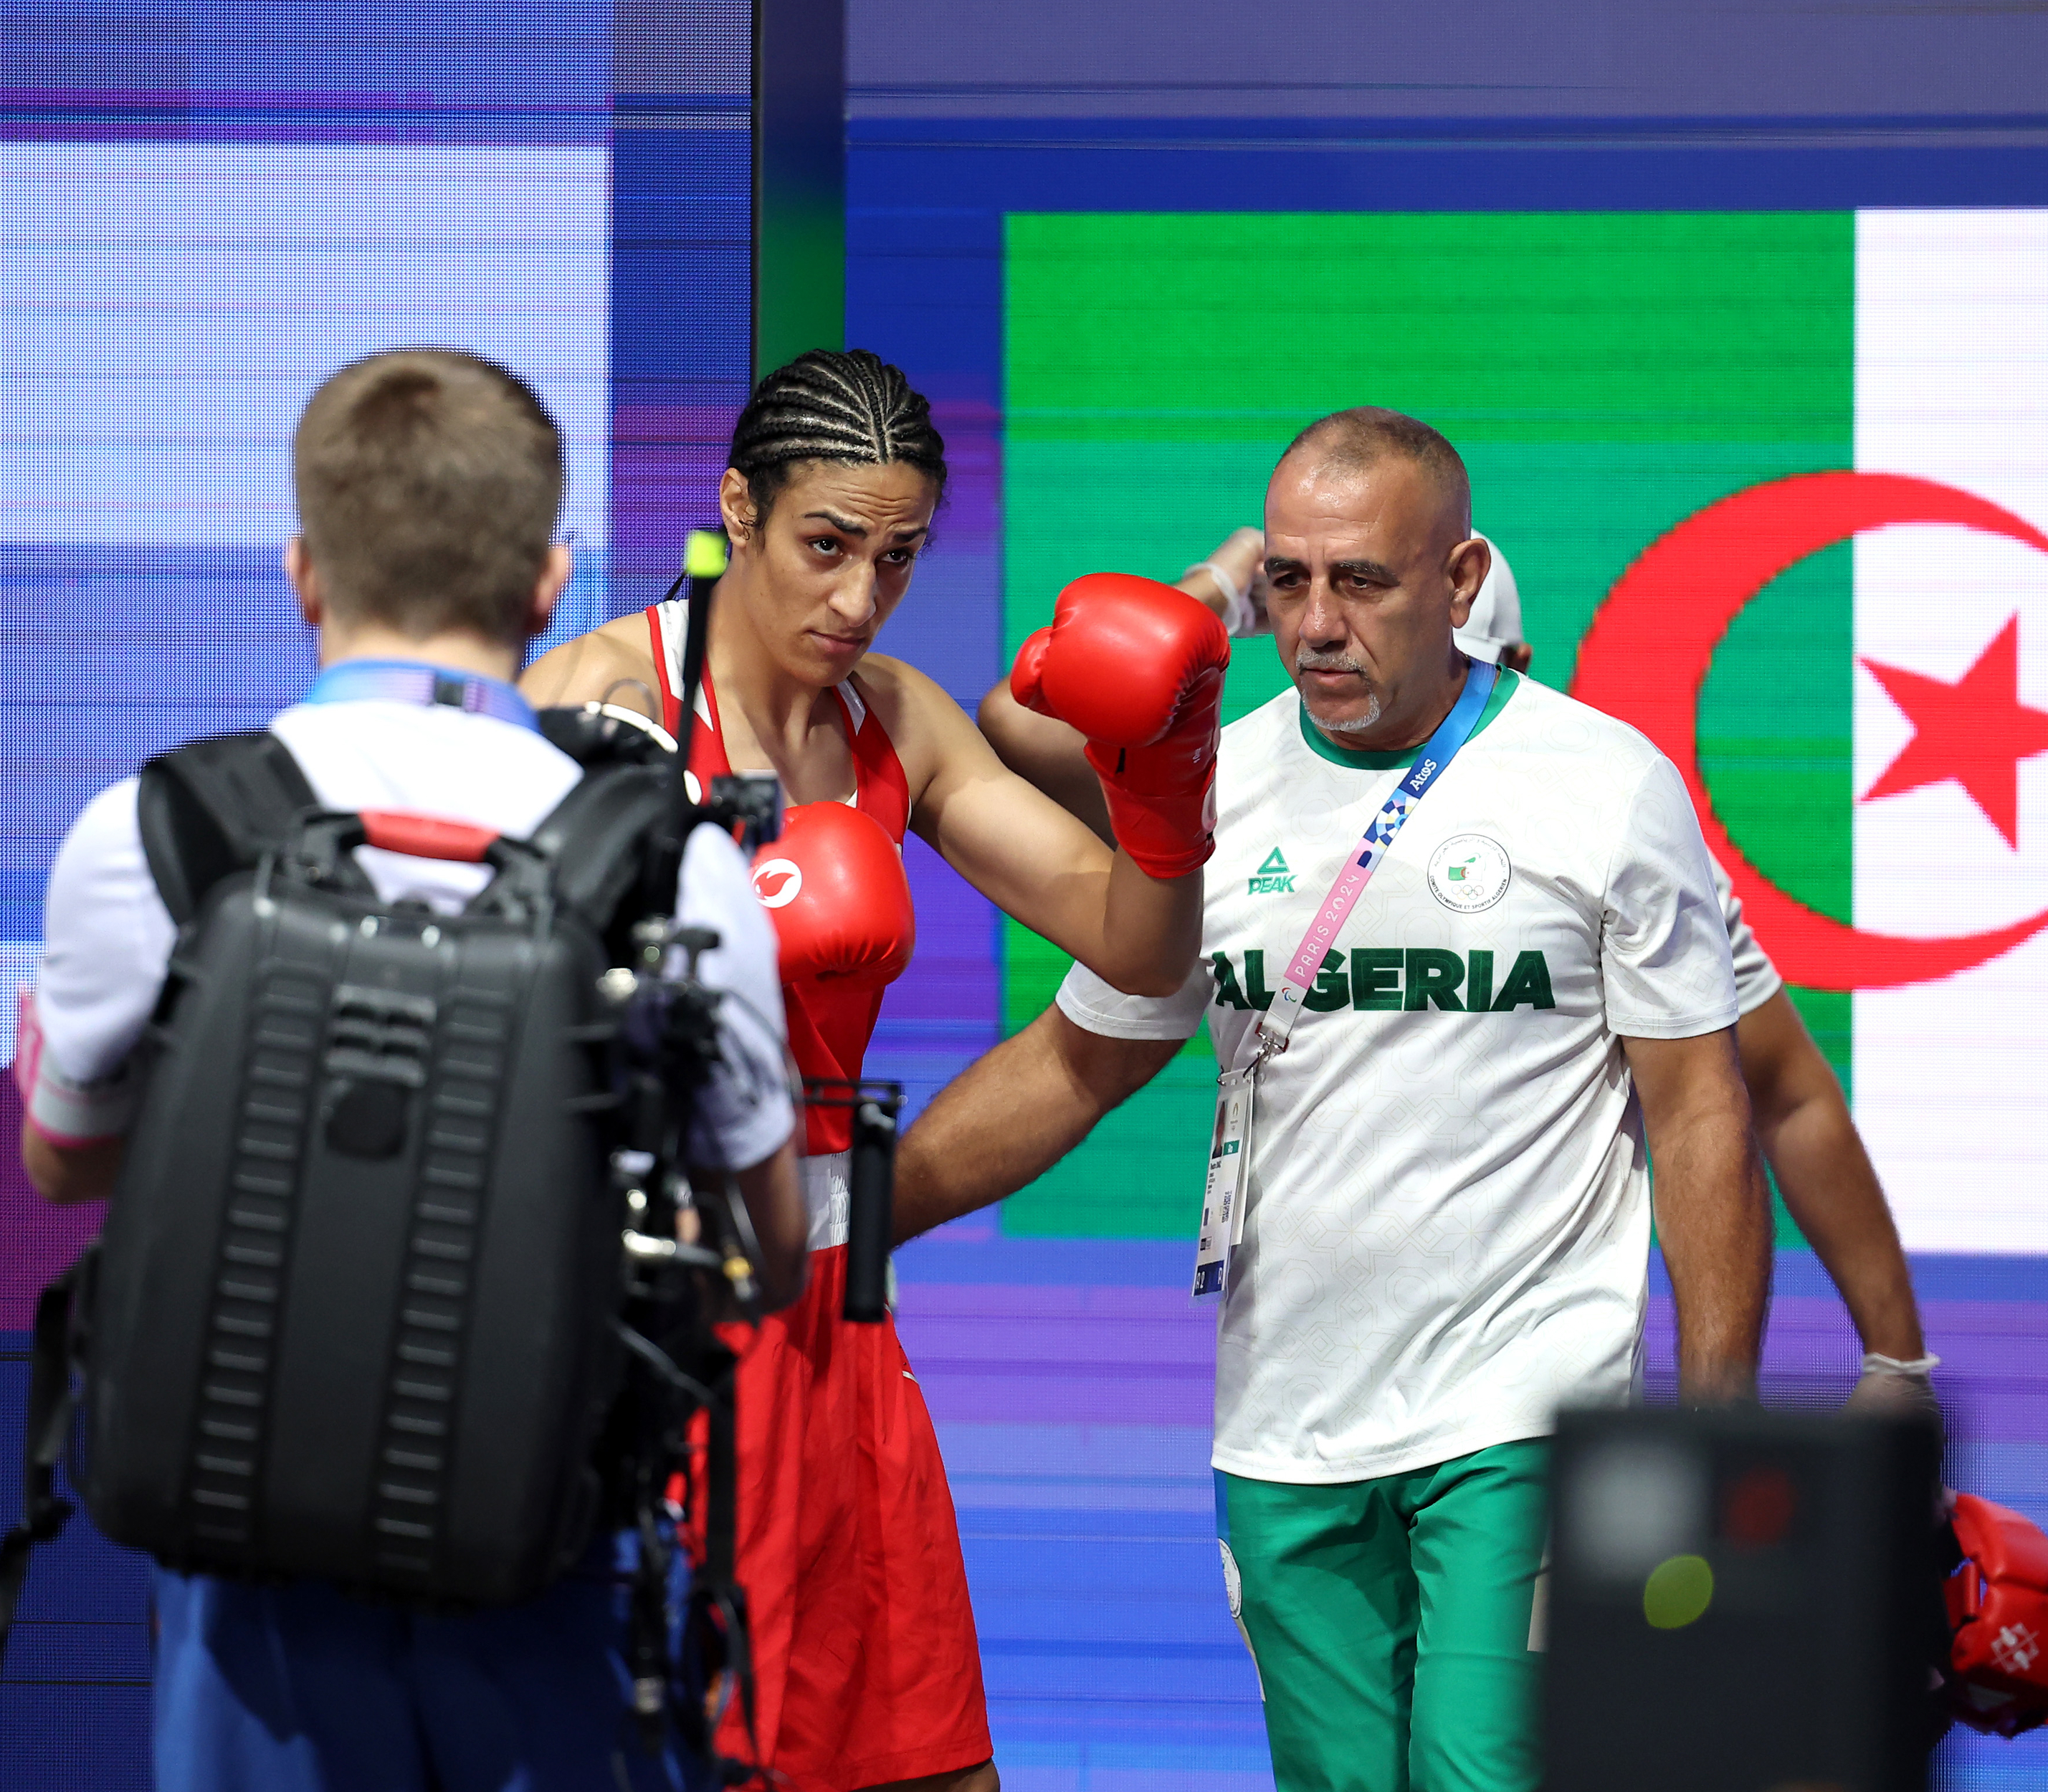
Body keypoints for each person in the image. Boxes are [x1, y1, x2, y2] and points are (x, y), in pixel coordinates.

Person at [897, 409, 1774, 1792]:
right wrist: (844, 1215)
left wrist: (1713, 1434)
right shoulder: (1212, 789)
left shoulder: (1605, 785)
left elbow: (1701, 1113)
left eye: (1361, 580)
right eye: (1290, 580)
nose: (1316, 624)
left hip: (1523, 1406)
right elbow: (1075, 1054)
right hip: (1286, 1425)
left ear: (1461, 579)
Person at [14, 347, 809, 1792]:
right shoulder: (676, 865)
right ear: (550, 582)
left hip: (246, 1603)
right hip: (553, 1571)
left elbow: (65, 1158)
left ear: (303, 572)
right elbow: (774, 1246)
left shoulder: (151, 832)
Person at [522, 349, 1226, 1792]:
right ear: (739, 509)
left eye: (897, 558)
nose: (858, 598)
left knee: (936, 1772)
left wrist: (1163, 797)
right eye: (826, 546)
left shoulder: (893, 715)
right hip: (645, 1328)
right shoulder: (594, 705)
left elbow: (1138, 947)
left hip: (842, 1327)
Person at [978, 528, 1940, 1420]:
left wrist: (1897, 1367)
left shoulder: (1612, 833)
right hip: (1302, 1414)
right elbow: (1024, 724)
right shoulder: (1242, 795)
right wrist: (1219, 593)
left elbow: (1783, 1097)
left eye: (1473, 672)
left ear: (1515, 668)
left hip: (1519, 1400)